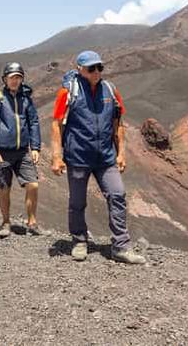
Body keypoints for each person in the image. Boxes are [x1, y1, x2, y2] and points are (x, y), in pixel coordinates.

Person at [51, 51, 145, 264]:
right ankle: (79, 240)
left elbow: (118, 123)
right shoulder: (67, 92)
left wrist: (121, 152)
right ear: (80, 70)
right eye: (91, 68)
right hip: (78, 156)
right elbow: (56, 125)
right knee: (77, 202)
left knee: (118, 194)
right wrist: (57, 156)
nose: (96, 72)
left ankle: (121, 246)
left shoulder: (110, 90)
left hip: (105, 157)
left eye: (99, 68)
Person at [0, 62, 42, 238]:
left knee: (33, 184)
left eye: (18, 77)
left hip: (23, 151)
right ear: (5, 79)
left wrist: (36, 147)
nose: (15, 80)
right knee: (4, 188)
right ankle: (6, 222)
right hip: (3, 151)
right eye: (12, 77)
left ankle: (31, 222)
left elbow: (33, 122)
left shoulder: (26, 99)